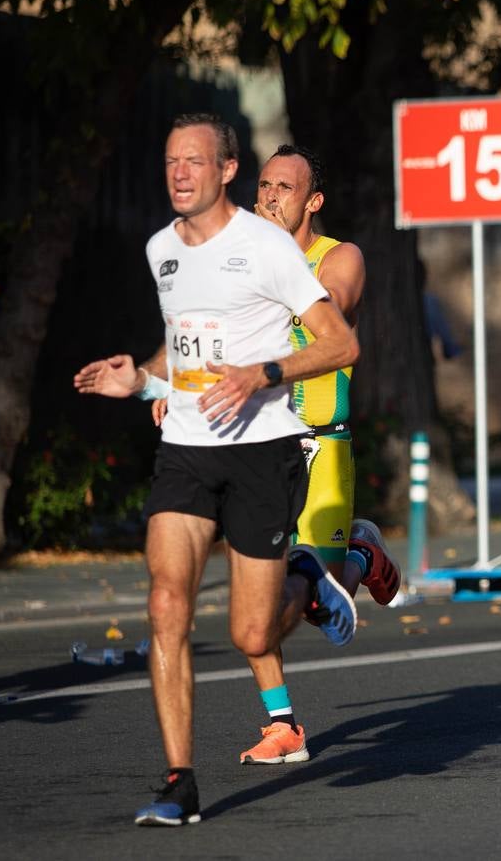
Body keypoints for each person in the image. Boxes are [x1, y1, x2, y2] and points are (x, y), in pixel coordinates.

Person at [72, 114, 359, 827]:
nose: (179, 174)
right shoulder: (160, 248)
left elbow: (340, 342)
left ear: (226, 170)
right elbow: (185, 346)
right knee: (167, 604)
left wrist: (264, 372)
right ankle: (179, 780)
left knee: (251, 635)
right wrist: (139, 380)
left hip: (264, 449)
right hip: (188, 452)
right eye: (171, 162)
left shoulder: (265, 247)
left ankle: (312, 576)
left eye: (194, 162)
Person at [204, 143, 402, 766]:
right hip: (254, 450)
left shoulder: (338, 257)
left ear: (312, 201)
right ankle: (283, 724)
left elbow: (332, 310)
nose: (268, 197)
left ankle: (359, 551)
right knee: (252, 602)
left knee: (310, 597)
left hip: (320, 447)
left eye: (283, 188)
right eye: (263, 186)